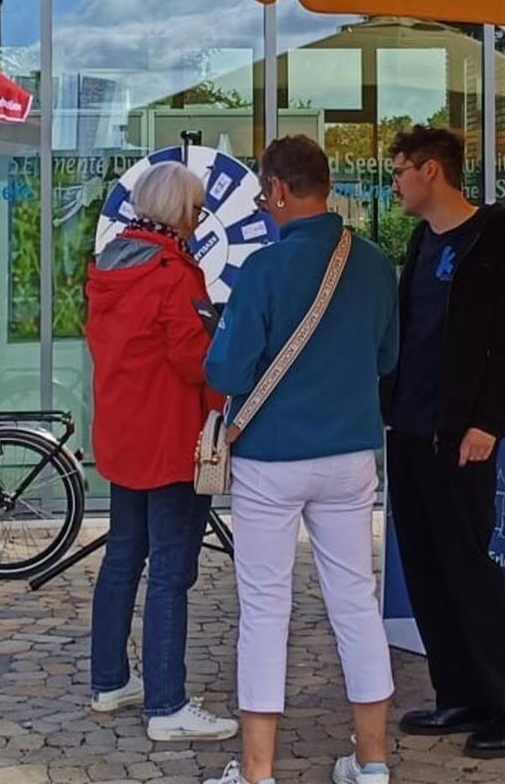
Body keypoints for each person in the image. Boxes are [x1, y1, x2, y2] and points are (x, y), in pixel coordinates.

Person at [203, 136, 399, 784]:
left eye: (264, 193)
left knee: (265, 607)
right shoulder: (373, 264)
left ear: (280, 191)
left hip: (271, 457)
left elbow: (228, 369)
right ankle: (372, 761)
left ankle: (258, 774)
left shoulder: (262, 268)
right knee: (355, 600)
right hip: (350, 453)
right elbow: (386, 358)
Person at [381, 126, 505, 758]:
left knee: (470, 567)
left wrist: (489, 422)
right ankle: (459, 692)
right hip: (410, 426)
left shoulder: (497, 235)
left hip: (462, 433)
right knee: (425, 566)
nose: (392, 182)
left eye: (399, 170)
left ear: (431, 171)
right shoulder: (422, 239)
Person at [85, 160, 238, 743]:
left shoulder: (108, 266)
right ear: (179, 211)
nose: (200, 219)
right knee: (172, 570)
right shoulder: (174, 273)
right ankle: (167, 705)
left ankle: (109, 681)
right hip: (171, 438)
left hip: (123, 436)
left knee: (124, 556)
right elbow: (193, 359)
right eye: (196, 209)